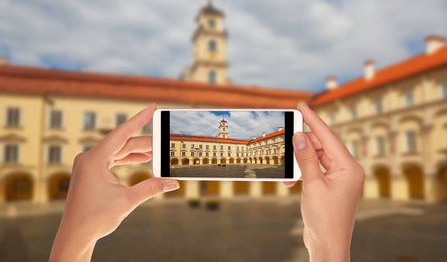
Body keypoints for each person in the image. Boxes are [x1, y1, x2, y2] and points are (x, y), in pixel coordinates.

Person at [50, 102, 364, 261]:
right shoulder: (202, 144)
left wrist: (72, 245)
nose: (224, 131)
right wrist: (329, 250)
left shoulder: (248, 146)